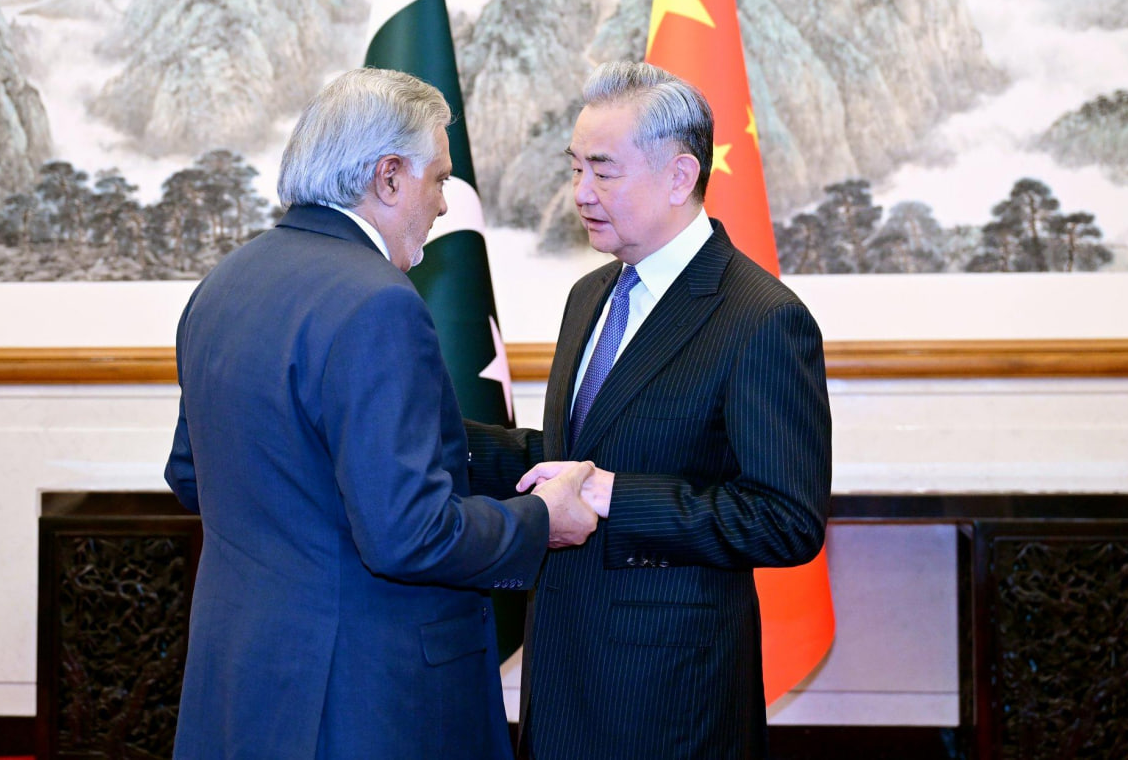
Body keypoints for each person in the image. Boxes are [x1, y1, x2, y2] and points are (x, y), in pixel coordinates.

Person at [164, 67, 597, 760]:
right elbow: (408, 535)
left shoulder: (223, 284)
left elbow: (192, 475)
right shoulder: (377, 303)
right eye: (439, 180)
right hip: (360, 697)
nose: (445, 205)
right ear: (389, 177)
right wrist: (543, 519)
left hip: (243, 679)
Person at [466, 61, 832, 760]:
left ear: (679, 175)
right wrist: (442, 442)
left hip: (669, 700)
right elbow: (574, 460)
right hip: (562, 678)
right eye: (575, 168)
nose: (580, 192)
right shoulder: (591, 296)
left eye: (603, 171)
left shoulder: (761, 317)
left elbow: (786, 521)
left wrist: (615, 496)